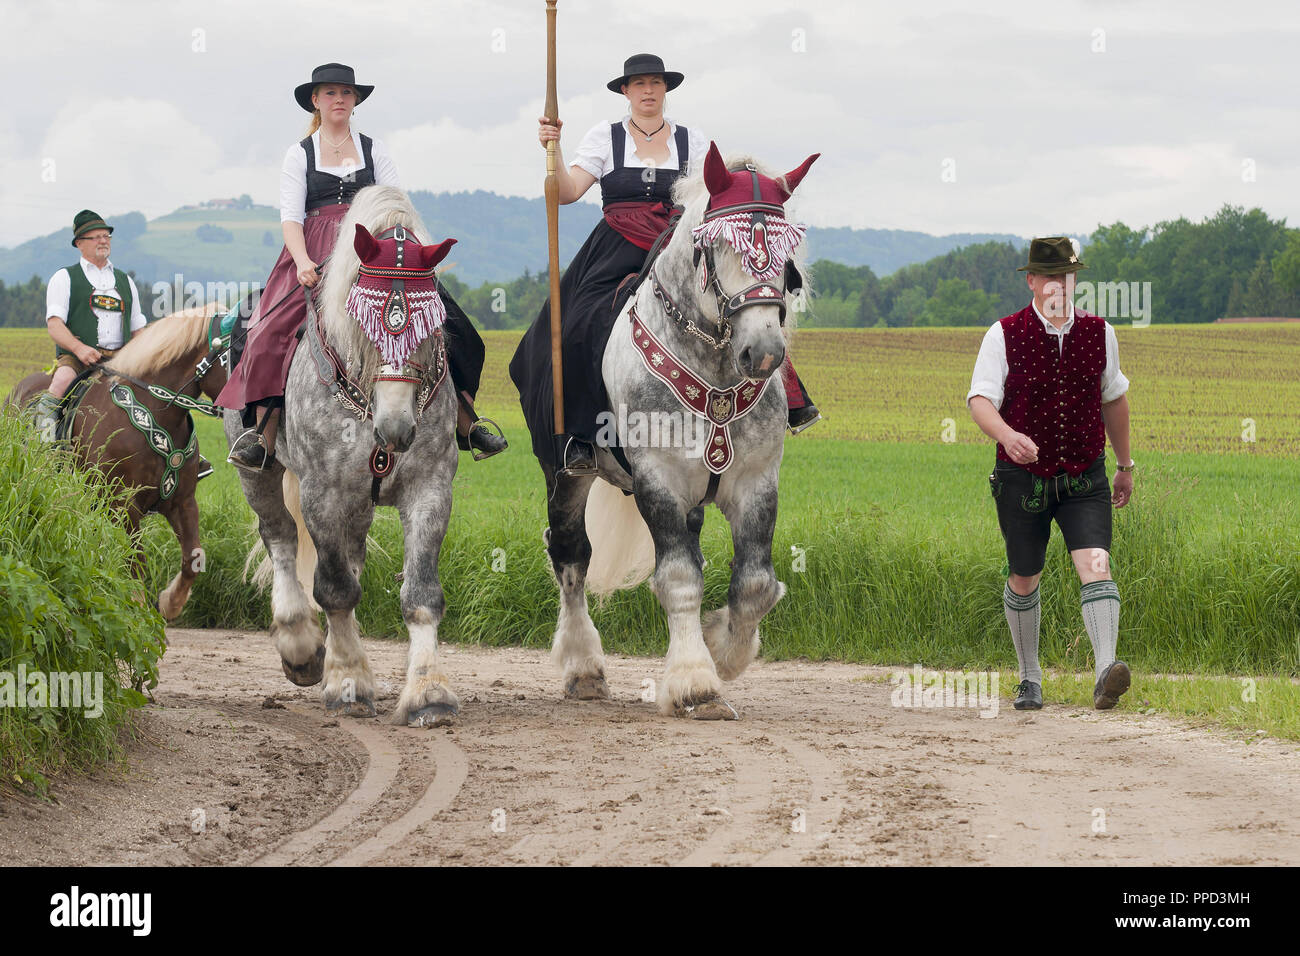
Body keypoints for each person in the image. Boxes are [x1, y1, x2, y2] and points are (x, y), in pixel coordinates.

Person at [509, 53, 820, 475]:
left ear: (666, 89)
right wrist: (554, 149)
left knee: (736, 306)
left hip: (676, 243)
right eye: (639, 84)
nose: (649, 91)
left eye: (656, 83)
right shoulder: (605, 136)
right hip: (616, 245)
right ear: (626, 91)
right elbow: (566, 192)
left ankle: (784, 401)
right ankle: (582, 438)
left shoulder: (693, 140)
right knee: (579, 325)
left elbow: (708, 198)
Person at [220, 63, 504, 470]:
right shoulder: (299, 154)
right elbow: (291, 217)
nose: (339, 99)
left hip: (374, 250)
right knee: (266, 331)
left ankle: (466, 420)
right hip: (315, 250)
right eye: (330, 93)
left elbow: (396, 208)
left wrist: (412, 260)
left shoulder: (376, 149)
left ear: (355, 101)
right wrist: (301, 262)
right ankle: (263, 433)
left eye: (346, 93)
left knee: (455, 325)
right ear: (316, 101)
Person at [967, 236, 1135, 712]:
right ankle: (1029, 678)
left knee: (1095, 563)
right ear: (1032, 281)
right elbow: (980, 400)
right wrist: (1006, 435)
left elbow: (1114, 399)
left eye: (1067, 276)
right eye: (1050, 277)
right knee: (1024, 575)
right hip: (1022, 479)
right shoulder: (1003, 334)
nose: (1059, 284)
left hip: (1085, 473)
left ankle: (1106, 671)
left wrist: (1124, 465)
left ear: (1074, 280)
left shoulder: (1100, 332)